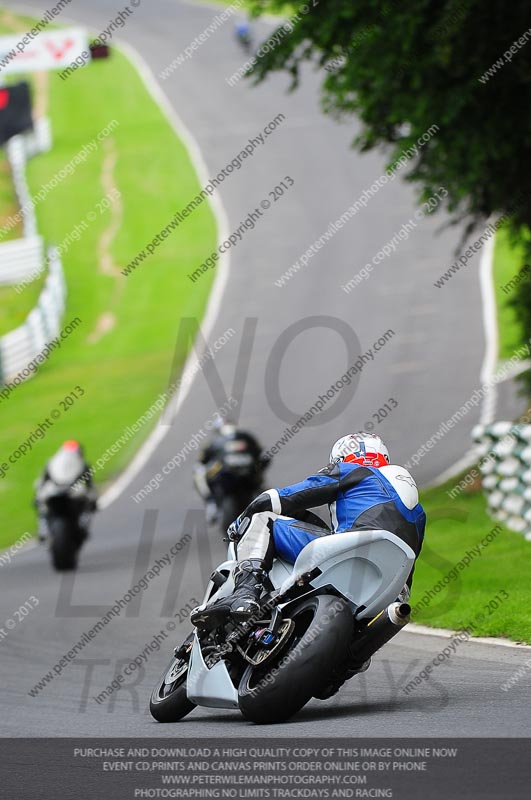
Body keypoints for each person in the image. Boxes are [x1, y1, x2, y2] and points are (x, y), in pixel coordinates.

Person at [191, 432, 425, 630]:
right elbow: (410, 556)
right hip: (388, 587)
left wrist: (241, 519)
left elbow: (285, 497)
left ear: (341, 458)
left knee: (264, 520)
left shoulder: (351, 470)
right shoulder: (416, 505)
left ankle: (245, 593)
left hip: (350, 552)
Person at [193, 417, 269, 525]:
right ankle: (265, 495)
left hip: (237, 476)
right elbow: (261, 454)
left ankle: (211, 503)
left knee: (199, 471)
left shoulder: (215, 442)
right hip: (243, 475)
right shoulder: (246, 436)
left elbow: (201, 461)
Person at [34, 440, 97, 541]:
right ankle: (82, 525)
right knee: (88, 502)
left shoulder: (52, 461)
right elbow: (90, 485)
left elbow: (41, 483)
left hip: (56, 492)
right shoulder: (82, 463)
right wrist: (94, 501)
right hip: (70, 493)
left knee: (39, 503)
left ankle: (43, 529)